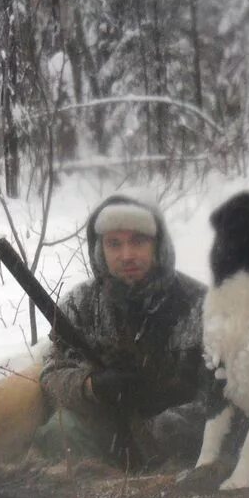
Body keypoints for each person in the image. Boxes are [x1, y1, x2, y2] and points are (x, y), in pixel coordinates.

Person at [35, 192, 206, 468]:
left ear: (158, 245)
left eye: (138, 241)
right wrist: (92, 386)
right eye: (114, 244)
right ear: (99, 249)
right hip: (106, 430)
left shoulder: (199, 304)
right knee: (60, 431)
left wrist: (164, 422)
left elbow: (224, 392)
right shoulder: (80, 304)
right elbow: (51, 375)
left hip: (184, 443)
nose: (126, 255)